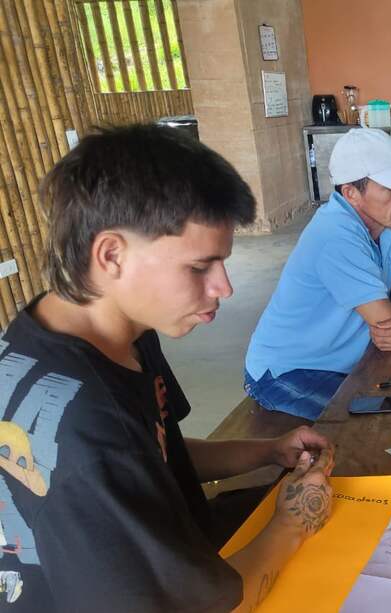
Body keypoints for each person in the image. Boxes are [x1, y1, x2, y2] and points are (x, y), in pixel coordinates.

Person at [0, 124, 335, 612]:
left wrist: (267, 451)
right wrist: (291, 525)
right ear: (111, 254)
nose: (224, 287)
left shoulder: (109, 329)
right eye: (200, 267)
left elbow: (157, 457)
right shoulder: (85, 428)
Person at [245, 128, 391, 420]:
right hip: (290, 370)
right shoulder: (335, 236)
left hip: (349, 359)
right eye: (390, 188)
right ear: (351, 194)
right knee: (378, 426)